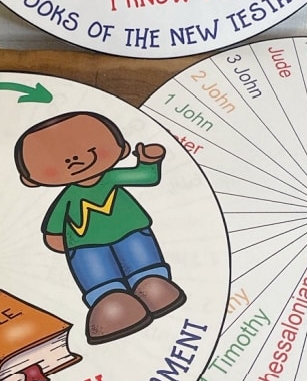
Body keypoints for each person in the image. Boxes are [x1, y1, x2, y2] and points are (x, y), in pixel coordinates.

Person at [15, 111, 185, 344]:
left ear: (123, 149)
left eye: (88, 147)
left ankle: (151, 282)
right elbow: (54, 229)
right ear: (30, 179)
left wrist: (149, 161)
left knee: (142, 262)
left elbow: (146, 176)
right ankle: (108, 300)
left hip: (131, 231)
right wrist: (55, 237)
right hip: (87, 246)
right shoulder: (69, 197)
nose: (74, 159)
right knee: (98, 275)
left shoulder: (112, 178)